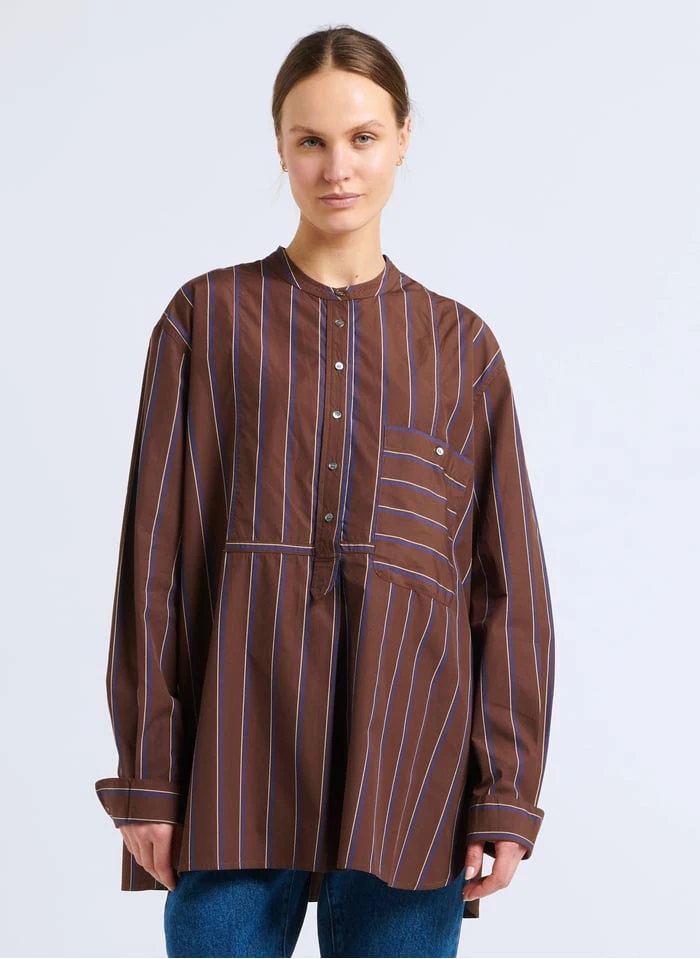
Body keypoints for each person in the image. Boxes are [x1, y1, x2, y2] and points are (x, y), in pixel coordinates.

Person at [94, 24, 555, 958]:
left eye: (362, 137)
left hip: (410, 782)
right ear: (279, 146)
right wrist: (149, 775)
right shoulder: (206, 322)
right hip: (233, 769)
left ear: (403, 138)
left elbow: (507, 588)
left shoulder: (461, 350)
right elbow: (153, 565)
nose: (338, 167)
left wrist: (505, 791)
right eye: (311, 140)